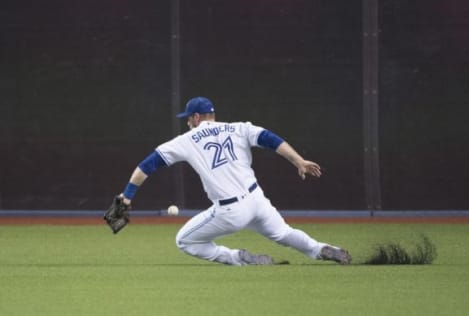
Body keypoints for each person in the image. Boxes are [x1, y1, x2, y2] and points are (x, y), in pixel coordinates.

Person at [119, 96, 352, 265]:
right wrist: (298, 161)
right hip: (257, 199)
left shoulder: (187, 139)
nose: (187, 123)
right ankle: (321, 248)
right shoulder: (238, 128)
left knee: (184, 241)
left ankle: (237, 258)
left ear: (196, 117)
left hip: (230, 210)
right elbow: (270, 139)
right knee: (283, 234)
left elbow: (146, 166)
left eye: (188, 118)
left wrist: (126, 197)